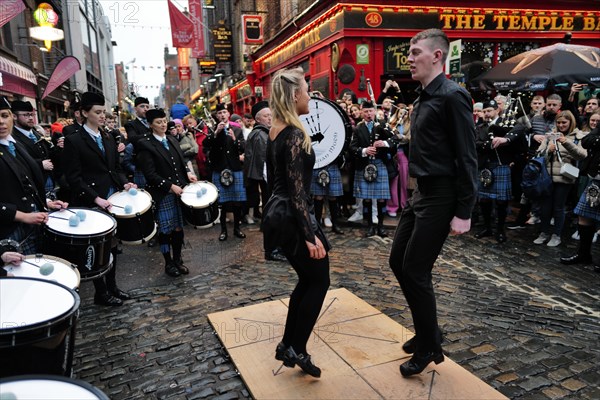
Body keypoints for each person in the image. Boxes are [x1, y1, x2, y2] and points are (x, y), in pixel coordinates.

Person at [388, 29, 478, 377]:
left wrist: (464, 211)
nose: (409, 58)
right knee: (399, 261)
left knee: (415, 269)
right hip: (421, 192)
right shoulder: (424, 96)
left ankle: (429, 346)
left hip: (442, 194)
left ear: (437, 56)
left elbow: (467, 157)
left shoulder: (453, 96)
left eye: (414, 52)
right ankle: (428, 331)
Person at [266, 67, 329, 378]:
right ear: (294, 96)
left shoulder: (277, 129)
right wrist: (310, 235)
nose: (310, 96)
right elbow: (297, 192)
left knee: (307, 280)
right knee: (319, 280)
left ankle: (288, 344)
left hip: (280, 214)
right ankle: (297, 348)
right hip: (292, 216)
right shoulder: (293, 134)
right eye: (306, 90)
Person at [63, 92, 136, 306]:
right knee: (95, 249)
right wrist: (96, 199)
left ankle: (112, 286)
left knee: (112, 245)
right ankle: (100, 292)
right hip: (90, 201)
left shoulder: (107, 137)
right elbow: (73, 179)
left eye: (104, 112)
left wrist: (124, 183)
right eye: (97, 112)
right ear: (84, 113)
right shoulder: (74, 140)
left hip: (112, 198)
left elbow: (115, 168)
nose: (102, 116)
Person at [0, 96, 68, 255]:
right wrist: (22, 216)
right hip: (10, 229)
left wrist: (46, 201)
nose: (1, 122)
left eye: (4, 115)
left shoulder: (14, 145)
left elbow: (25, 183)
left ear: (11, 117)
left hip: (33, 221)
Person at [136, 109, 197, 277]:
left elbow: (180, 163)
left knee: (178, 228)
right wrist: (170, 186)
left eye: (164, 121)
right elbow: (150, 174)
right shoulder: (145, 144)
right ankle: (168, 263)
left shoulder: (171, 139)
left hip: (180, 191)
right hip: (163, 193)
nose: (163, 125)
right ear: (150, 125)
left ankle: (178, 259)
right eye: (158, 122)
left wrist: (188, 174)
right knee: (165, 230)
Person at [532, 111, 586, 247]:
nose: (561, 125)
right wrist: (547, 151)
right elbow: (538, 154)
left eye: (564, 123)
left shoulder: (578, 136)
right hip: (548, 177)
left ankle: (556, 235)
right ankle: (543, 233)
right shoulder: (550, 136)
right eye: (559, 122)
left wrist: (566, 142)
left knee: (558, 207)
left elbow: (582, 155)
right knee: (545, 208)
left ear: (570, 122)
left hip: (564, 178)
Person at [244, 101, 286, 262]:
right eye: (267, 116)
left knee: (273, 215)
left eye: (271, 115)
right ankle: (272, 250)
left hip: (271, 182)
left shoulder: (263, 132)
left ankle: (276, 247)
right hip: (270, 183)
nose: (270, 118)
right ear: (258, 119)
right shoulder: (260, 134)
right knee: (272, 216)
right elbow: (264, 164)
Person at [350, 101, 397, 238]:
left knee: (382, 199)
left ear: (375, 111)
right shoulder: (358, 129)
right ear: (362, 112)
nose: (368, 114)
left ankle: (381, 226)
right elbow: (352, 148)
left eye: (371, 111)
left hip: (380, 163)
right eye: (366, 111)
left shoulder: (382, 125)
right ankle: (369, 226)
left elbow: (395, 139)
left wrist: (384, 143)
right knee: (367, 199)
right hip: (364, 165)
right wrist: (364, 150)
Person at [204, 103, 247, 241]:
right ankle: (223, 230)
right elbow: (206, 145)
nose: (222, 115)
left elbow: (243, 147)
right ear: (217, 116)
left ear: (228, 114)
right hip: (219, 168)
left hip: (235, 168)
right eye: (219, 113)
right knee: (221, 203)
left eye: (224, 112)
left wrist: (235, 140)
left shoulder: (237, 129)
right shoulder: (213, 130)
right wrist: (216, 133)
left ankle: (237, 228)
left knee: (237, 202)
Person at [474, 99, 514, 243]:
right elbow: (476, 143)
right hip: (485, 166)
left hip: (501, 165)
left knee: (501, 202)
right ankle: (487, 227)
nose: (486, 114)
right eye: (484, 111)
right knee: (484, 200)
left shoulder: (506, 124)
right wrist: (488, 144)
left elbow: (515, 139)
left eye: (489, 111)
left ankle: (500, 229)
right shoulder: (480, 127)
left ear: (497, 110)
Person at [11, 100, 56, 195]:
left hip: (49, 181)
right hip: (32, 185)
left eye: (32, 114)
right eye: (26, 115)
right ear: (14, 116)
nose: (31, 118)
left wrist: (59, 147)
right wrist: (40, 164)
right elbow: (15, 162)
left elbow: (49, 154)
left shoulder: (37, 133)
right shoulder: (12, 137)